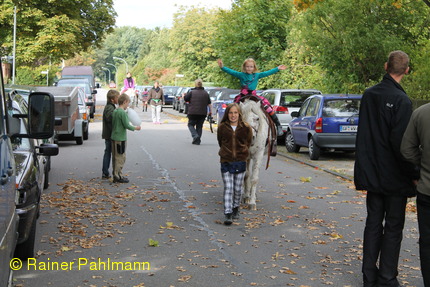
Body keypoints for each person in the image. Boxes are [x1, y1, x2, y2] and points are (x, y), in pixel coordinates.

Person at [354, 50, 419, 287]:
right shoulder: (402, 100)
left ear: (385, 66)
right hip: (394, 175)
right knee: (393, 226)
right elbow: (401, 143)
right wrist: (413, 174)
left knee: (373, 223)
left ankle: (368, 276)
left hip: (372, 171)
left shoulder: (369, 95)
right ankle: (387, 276)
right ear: (407, 70)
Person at [400, 103, 430, 286]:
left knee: (427, 241)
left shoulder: (421, 113)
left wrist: (423, 163)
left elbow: (406, 149)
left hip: (427, 189)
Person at [217, 58, 286, 136]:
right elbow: (231, 72)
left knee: (267, 107)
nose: (249, 68)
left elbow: (267, 73)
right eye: (247, 66)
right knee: (232, 108)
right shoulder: (241, 75)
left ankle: (278, 125)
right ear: (244, 67)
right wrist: (222, 67)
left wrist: (277, 68)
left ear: (254, 68)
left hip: (253, 95)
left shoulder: (257, 75)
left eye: (251, 67)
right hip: (243, 95)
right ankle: (226, 126)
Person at [217, 103, 252, 225]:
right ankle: (228, 213)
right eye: (231, 113)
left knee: (237, 189)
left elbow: (248, 142)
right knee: (228, 188)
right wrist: (226, 152)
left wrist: (242, 153)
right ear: (227, 114)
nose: (233, 115)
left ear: (239, 114)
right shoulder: (222, 127)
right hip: (226, 161)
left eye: (235, 113)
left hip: (240, 161)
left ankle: (236, 207)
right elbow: (220, 141)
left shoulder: (246, 127)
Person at [111, 93, 141, 183]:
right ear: (124, 102)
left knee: (115, 157)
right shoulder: (122, 113)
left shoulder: (115, 111)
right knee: (121, 157)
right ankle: (118, 176)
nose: (128, 105)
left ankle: (115, 174)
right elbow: (127, 125)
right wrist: (136, 128)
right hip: (120, 138)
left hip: (114, 136)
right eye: (128, 103)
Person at [184, 79, 212, 145]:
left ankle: (195, 136)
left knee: (190, 124)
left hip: (192, 112)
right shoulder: (206, 93)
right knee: (199, 126)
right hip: (202, 113)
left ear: (195, 84)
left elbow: (186, 99)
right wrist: (210, 111)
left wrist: (184, 96)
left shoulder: (192, 92)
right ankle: (197, 140)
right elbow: (209, 103)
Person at [102, 89, 119, 179]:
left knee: (108, 152)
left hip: (109, 133)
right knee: (109, 153)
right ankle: (106, 172)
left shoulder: (111, 106)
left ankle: (106, 172)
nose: (118, 99)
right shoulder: (110, 107)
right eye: (117, 97)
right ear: (112, 99)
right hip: (110, 134)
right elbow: (109, 118)